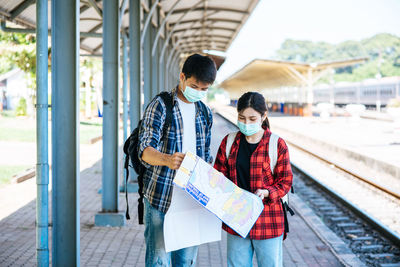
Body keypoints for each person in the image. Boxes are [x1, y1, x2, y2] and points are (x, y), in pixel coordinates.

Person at [138, 53, 216, 267]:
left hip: (191, 201)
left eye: (204, 89)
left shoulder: (205, 113)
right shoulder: (161, 105)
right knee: (158, 261)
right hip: (162, 199)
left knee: (186, 262)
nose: (198, 93)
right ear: (182, 77)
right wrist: (167, 159)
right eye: (194, 86)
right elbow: (144, 149)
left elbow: (207, 156)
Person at [214, 92, 293, 267]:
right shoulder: (229, 142)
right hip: (236, 220)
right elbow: (218, 175)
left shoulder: (276, 144)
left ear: (263, 116)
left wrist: (267, 192)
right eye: (242, 118)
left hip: (268, 220)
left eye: (252, 118)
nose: (246, 123)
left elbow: (285, 181)